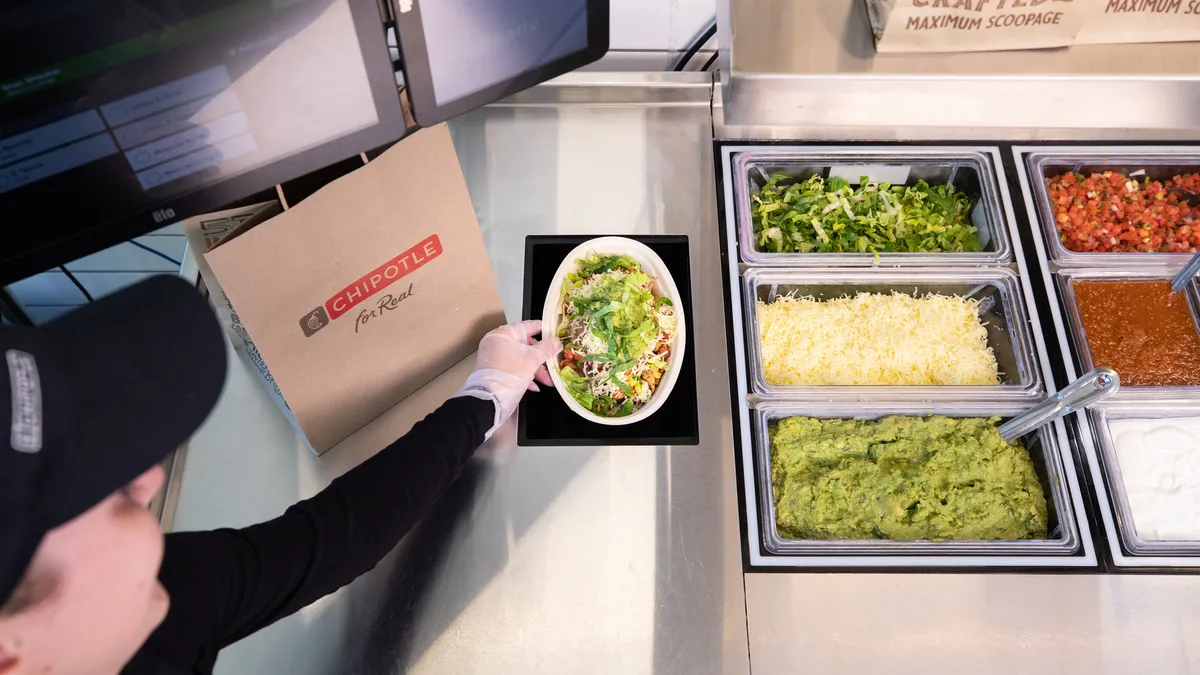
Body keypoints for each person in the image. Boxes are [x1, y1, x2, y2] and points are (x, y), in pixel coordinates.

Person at [0, 275, 560, 675]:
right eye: (112, 489)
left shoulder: (161, 603)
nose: (148, 478)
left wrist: (488, 394)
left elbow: (338, 535)